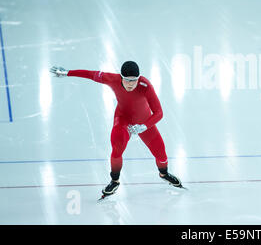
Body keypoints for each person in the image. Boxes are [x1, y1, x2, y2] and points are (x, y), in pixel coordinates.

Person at [50, 61, 182, 197]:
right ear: (121, 77)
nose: (130, 84)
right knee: (117, 148)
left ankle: (164, 174)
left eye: (134, 80)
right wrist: (68, 73)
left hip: (144, 122)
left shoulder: (145, 86)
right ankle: (115, 180)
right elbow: (90, 74)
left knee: (161, 153)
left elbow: (159, 112)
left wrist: (144, 126)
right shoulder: (112, 79)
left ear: (139, 78)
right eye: (127, 80)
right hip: (123, 119)